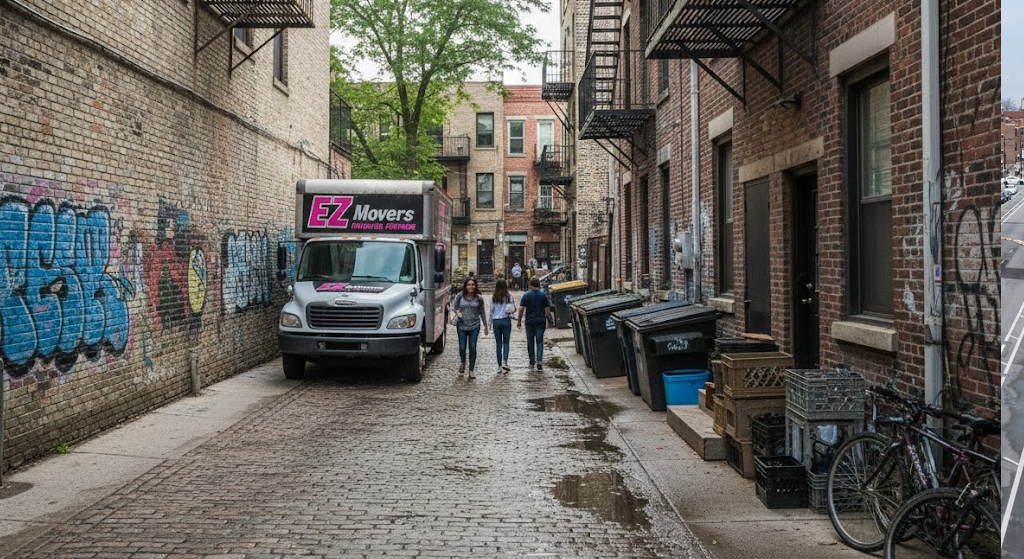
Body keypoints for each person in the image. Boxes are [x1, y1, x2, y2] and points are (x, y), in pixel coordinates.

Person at [452, 277, 488, 379]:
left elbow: (482, 312)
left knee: (472, 347)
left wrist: (485, 325)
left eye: (472, 285)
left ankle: (471, 370)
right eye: (469, 285)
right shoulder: (460, 296)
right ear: (465, 286)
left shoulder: (479, 298)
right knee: (462, 347)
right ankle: (463, 362)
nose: (471, 287)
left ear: (475, 286)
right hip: (462, 325)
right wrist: (457, 312)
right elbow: (453, 307)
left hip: (474, 326)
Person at [517, 277, 551, 371]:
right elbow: (547, 309)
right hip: (540, 321)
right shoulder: (543, 295)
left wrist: (519, 321)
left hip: (530, 321)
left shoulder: (526, 295)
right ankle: (539, 360)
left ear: (530, 284)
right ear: (539, 285)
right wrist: (545, 317)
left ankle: (532, 361)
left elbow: (521, 309)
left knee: (530, 342)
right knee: (539, 341)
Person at [489, 279, 515, 373]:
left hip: (496, 321)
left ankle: (499, 366)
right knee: (506, 342)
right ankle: (505, 361)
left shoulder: (494, 297)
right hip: (505, 320)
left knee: (498, 343)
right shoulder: (508, 296)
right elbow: (512, 308)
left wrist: (489, 324)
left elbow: (491, 311)